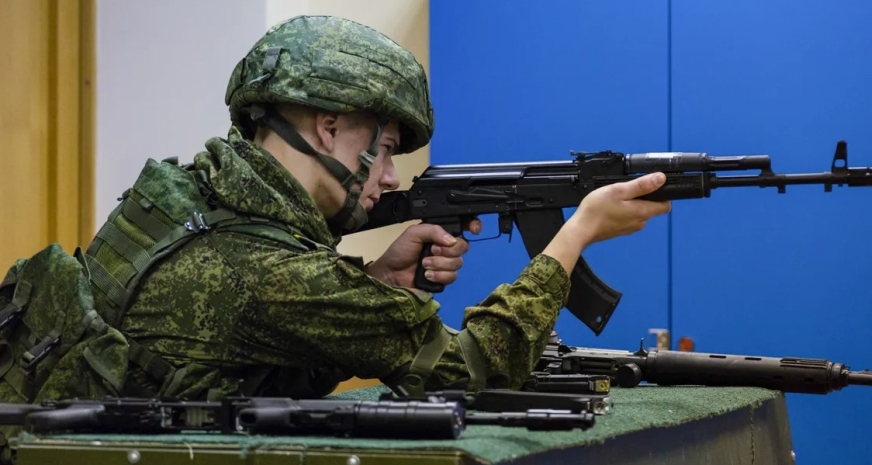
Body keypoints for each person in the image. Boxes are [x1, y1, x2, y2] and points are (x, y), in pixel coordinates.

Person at [3, 15, 672, 409]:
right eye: (380, 149)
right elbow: (474, 367)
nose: (388, 176)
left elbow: (244, 355)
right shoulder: (272, 274)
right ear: (327, 130)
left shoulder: (189, 200)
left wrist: (376, 280)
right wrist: (578, 232)